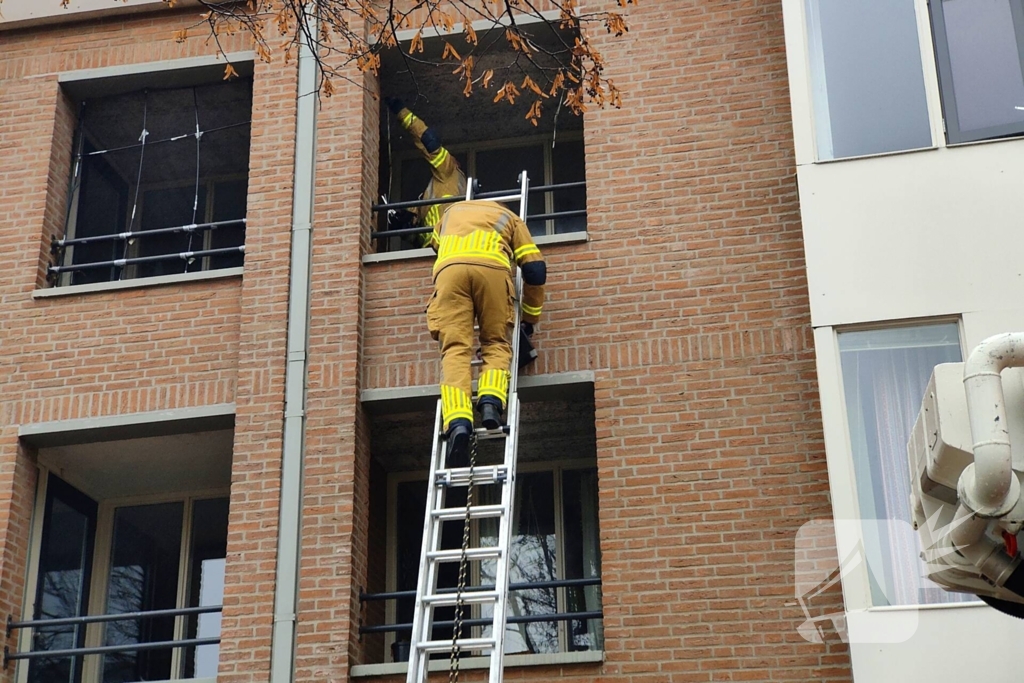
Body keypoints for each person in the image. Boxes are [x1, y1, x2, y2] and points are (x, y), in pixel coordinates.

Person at [426, 199, 546, 467]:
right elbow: (535, 270)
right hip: (491, 270)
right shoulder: (509, 218)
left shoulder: (449, 213)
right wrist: (529, 318)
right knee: (496, 342)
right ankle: (491, 403)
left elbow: (435, 245)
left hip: (449, 273)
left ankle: (458, 422)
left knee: (455, 350)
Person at [384, 97, 467, 246]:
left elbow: (428, 141)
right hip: (433, 251)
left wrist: (401, 112)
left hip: (448, 244)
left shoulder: (448, 170)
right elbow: (418, 236)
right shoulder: (429, 197)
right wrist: (403, 223)